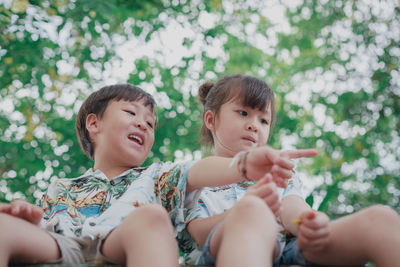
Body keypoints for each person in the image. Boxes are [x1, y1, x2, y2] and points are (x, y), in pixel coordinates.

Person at [0, 83, 310, 267]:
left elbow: (196, 171)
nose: (143, 125)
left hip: (117, 245)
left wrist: (241, 165)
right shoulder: (61, 187)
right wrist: (22, 213)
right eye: (132, 114)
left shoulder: (157, 176)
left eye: (150, 124)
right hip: (62, 247)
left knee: (151, 218)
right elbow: (41, 220)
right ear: (94, 124)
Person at [182, 74, 400, 267]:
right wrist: (242, 213)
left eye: (264, 120)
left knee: (381, 219)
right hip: (226, 251)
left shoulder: (277, 172)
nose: (254, 125)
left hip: (289, 249)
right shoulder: (197, 177)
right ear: (210, 120)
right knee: (252, 213)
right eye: (243, 113)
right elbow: (200, 234)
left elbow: (291, 205)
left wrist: (308, 221)